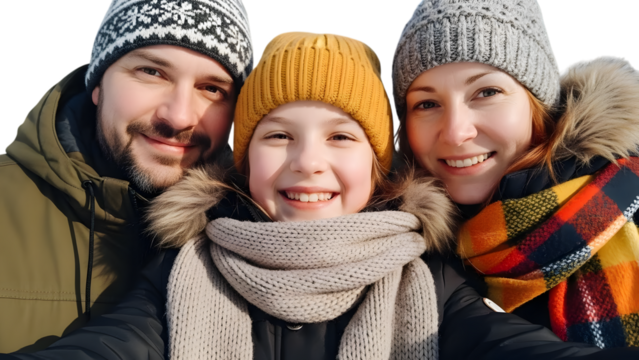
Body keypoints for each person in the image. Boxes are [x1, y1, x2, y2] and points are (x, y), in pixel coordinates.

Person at [6, 31, 635, 360]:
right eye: (278, 135)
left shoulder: (428, 279)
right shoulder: (180, 272)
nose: (309, 163)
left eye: (341, 136)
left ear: (379, 164)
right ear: (243, 160)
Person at [0, 0, 254, 353]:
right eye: (152, 72)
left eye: (212, 89)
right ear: (98, 82)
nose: (179, 117)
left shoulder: (252, 234)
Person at [391, 0, 639, 349]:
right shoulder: (396, 256)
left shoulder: (628, 203)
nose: (456, 132)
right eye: (427, 104)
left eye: (487, 92)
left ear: (540, 103)